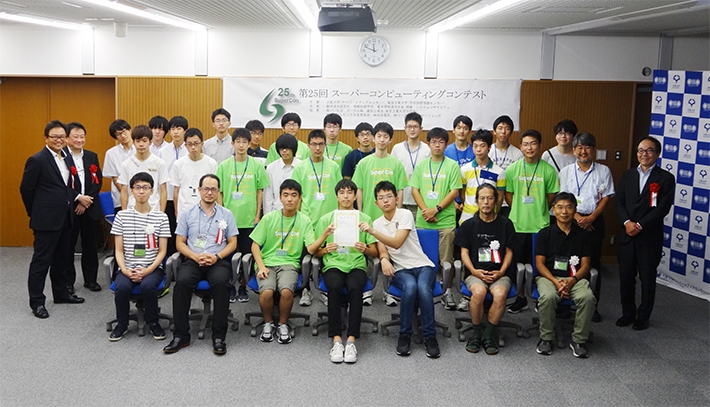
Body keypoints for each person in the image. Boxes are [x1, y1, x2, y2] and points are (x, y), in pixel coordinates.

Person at [360, 181, 440, 358]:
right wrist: (384, 259)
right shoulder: (378, 222)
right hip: (401, 269)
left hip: (423, 265)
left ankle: (430, 337)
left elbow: (397, 242)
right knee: (411, 288)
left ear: (396, 199)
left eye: (389, 196)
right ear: (376, 203)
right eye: (381, 198)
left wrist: (373, 232)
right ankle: (404, 336)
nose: (385, 200)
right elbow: (382, 249)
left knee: (423, 290)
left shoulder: (405, 214)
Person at [163, 174, 238, 355]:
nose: (209, 192)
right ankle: (181, 335)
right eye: (206, 188)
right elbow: (180, 242)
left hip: (217, 261)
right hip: (193, 260)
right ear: (199, 190)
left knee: (221, 284)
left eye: (213, 189)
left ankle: (219, 336)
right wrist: (195, 257)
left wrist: (216, 257)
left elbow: (233, 243)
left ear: (218, 191)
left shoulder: (226, 214)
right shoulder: (187, 214)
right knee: (181, 283)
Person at [249, 179, 330, 344]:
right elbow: (255, 245)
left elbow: (312, 249)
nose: (289, 199)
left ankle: (283, 324)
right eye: (285, 195)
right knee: (267, 292)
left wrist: (324, 235)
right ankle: (268, 323)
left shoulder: (304, 220)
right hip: (267, 263)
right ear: (280, 197)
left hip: (289, 264)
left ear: (300, 198)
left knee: (286, 291)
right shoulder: (269, 217)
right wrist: (261, 266)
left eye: (294, 195)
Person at [21, 120, 85, 319]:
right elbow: (26, 189)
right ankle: (37, 302)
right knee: (41, 262)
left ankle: (61, 293)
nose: (58, 140)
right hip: (46, 220)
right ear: (46, 138)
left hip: (65, 217)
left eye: (61, 137)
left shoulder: (65, 157)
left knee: (62, 259)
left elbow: (64, 186)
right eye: (54, 137)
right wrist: (36, 212)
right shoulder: (37, 160)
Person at [314, 179, 378, 363]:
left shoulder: (364, 218)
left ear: (355, 195)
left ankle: (351, 340)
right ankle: (336, 340)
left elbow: (374, 251)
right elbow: (315, 250)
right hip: (333, 264)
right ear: (336, 196)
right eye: (342, 192)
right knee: (334, 286)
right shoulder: (327, 219)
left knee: (355, 288)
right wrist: (326, 249)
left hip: (356, 264)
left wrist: (365, 248)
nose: (346, 196)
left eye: (350, 192)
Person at [615, 137, 674, 331]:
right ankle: (628, 313)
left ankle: (643, 316)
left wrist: (639, 225)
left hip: (649, 236)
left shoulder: (665, 178)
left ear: (657, 154)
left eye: (649, 150)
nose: (644, 154)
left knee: (647, 278)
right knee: (626, 277)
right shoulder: (628, 175)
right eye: (640, 150)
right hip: (627, 235)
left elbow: (662, 208)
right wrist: (627, 223)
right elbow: (620, 202)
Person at [559, 132, 614, 322]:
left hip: (594, 222)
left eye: (587, 147)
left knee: (592, 264)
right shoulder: (566, 172)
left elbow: (606, 197)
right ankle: (564, 303)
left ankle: (593, 305)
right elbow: (563, 199)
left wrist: (590, 218)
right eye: (579, 147)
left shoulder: (603, 171)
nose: (583, 151)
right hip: (570, 221)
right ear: (574, 150)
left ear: (594, 150)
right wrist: (577, 218)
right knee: (566, 263)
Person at [352, 122, 408, 308]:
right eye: (379, 136)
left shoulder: (396, 163)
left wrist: (398, 212)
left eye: (386, 136)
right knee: (367, 254)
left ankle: (389, 291)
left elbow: (399, 190)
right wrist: (359, 212)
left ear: (391, 140)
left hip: (391, 218)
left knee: (390, 254)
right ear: (374, 138)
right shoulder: (364, 163)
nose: (382, 140)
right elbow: (358, 188)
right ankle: (366, 291)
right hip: (369, 216)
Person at [109, 172, 170, 341]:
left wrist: (148, 269)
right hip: (127, 266)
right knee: (121, 287)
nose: (141, 191)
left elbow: (163, 251)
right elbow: (119, 250)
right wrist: (125, 270)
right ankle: (121, 324)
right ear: (131, 191)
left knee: (148, 286)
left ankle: (153, 323)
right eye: (137, 187)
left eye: (145, 188)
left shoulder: (161, 217)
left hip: (152, 267)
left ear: (152, 191)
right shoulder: (122, 216)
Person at [455, 184, 515, 355]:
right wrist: (474, 271)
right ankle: (476, 333)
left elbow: (509, 251)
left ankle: (488, 334)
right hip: (476, 273)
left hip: (500, 273)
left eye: (490, 198)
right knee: (479, 292)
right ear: (476, 201)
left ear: (496, 200)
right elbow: (463, 252)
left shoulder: (506, 224)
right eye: (482, 198)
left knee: (500, 294)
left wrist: (502, 271)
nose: (486, 202)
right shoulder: (468, 225)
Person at [534, 192, 596, 358]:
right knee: (548, 297)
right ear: (553, 209)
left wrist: (572, 280)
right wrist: (555, 281)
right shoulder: (544, 234)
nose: (564, 212)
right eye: (559, 207)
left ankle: (579, 340)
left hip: (575, 278)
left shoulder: (583, 235)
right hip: (549, 277)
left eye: (569, 207)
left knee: (587, 297)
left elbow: (586, 265)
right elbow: (539, 264)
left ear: (575, 210)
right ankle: (546, 338)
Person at [505, 129, 559, 314]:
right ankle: (520, 298)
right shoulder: (512, 169)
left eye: (533, 143)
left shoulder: (548, 170)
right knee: (516, 265)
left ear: (540, 146)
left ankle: (541, 297)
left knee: (539, 265)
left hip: (541, 226)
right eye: (526, 144)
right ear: (520, 147)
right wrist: (520, 210)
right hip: (517, 225)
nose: (529, 147)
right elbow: (508, 195)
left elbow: (551, 196)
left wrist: (538, 208)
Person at [408, 127, 461, 311]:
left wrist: (436, 210)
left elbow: (454, 191)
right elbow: (415, 189)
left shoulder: (452, 165)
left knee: (446, 260)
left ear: (446, 144)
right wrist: (425, 210)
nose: (437, 145)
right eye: (433, 141)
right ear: (428, 144)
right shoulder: (422, 165)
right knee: (422, 260)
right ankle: (422, 291)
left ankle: (446, 292)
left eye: (441, 142)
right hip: (423, 221)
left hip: (445, 221)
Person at [216, 128, 269, 303]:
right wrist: (221, 214)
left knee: (248, 256)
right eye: (237, 141)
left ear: (249, 144)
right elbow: (220, 192)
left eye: (244, 142)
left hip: (249, 219)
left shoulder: (256, 165)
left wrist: (257, 215)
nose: (241, 145)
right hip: (228, 220)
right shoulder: (224, 166)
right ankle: (229, 287)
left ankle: (243, 287)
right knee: (229, 256)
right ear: (232, 144)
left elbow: (260, 191)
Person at [291, 129, 343, 306]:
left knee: (327, 257)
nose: (318, 148)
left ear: (325, 145)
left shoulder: (333, 167)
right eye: (314, 144)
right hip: (307, 220)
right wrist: (296, 218)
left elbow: (339, 194)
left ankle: (325, 290)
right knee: (304, 258)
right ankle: (305, 290)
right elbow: (296, 195)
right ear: (308, 146)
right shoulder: (300, 167)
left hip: (329, 221)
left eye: (321, 144)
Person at [64, 121, 103, 293]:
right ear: (67, 138)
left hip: (90, 208)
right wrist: (78, 199)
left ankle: (90, 280)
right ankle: (68, 283)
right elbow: (62, 184)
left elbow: (97, 181)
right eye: (75, 136)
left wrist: (87, 201)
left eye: (82, 136)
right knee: (68, 247)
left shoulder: (91, 156)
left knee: (90, 246)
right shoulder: (61, 157)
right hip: (70, 209)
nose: (79, 140)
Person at [117, 125, 168, 212]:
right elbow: (124, 191)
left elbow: (163, 190)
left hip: (154, 210)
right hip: (132, 210)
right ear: (133, 142)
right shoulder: (126, 164)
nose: (141, 144)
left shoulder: (159, 163)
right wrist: (124, 213)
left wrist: (161, 213)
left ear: (150, 142)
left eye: (144, 141)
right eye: (138, 141)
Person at [460, 129, 506, 224]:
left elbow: (500, 198)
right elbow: (462, 193)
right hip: (467, 219)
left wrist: (492, 213)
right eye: (475, 146)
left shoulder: (499, 172)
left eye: (482, 146)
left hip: (489, 220)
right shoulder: (464, 169)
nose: (478, 149)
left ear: (489, 147)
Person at [158, 116, 189, 255]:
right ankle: (170, 264)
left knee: (185, 233)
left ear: (185, 131)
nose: (176, 132)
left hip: (185, 198)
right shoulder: (163, 151)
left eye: (179, 129)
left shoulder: (190, 149)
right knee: (169, 232)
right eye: (173, 129)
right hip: (168, 197)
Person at [391, 112, 431, 218]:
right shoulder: (397, 148)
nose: (412, 130)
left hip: (420, 200)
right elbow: (393, 173)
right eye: (409, 127)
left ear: (421, 128)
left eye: (415, 127)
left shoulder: (427, 149)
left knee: (416, 232)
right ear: (405, 128)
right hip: (400, 198)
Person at [170, 128, 218, 218]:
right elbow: (176, 190)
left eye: (196, 143)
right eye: (190, 144)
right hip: (184, 212)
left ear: (202, 144)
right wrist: (177, 212)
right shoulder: (178, 164)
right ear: (185, 145)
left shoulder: (211, 163)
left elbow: (215, 190)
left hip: (206, 212)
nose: (193, 147)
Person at [488, 115, 522, 218]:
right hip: (489, 199)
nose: (503, 132)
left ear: (511, 132)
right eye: (500, 128)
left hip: (508, 201)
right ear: (494, 131)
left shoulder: (518, 154)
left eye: (507, 128)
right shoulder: (488, 151)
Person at [264, 133, 301, 215]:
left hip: (297, 213)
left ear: (293, 149)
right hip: (276, 212)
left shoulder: (301, 166)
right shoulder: (271, 168)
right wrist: (268, 216)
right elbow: (268, 196)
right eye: (281, 148)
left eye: (287, 148)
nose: (284, 151)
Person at [103, 119, 135, 213]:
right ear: (115, 137)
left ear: (130, 130)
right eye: (118, 134)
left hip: (142, 198)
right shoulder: (111, 153)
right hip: (121, 199)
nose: (123, 136)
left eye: (124, 132)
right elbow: (115, 178)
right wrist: (128, 195)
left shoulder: (140, 149)